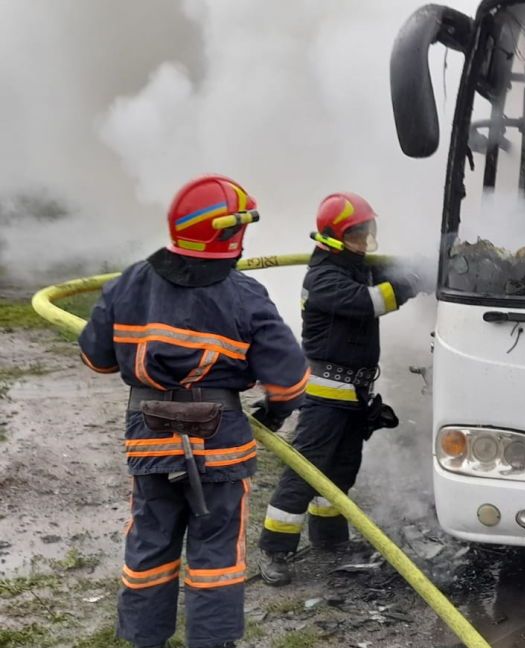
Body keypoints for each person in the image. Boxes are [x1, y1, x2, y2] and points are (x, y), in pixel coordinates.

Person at [78, 174, 310, 648]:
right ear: (230, 233)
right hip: (219, 445)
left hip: (150, 440)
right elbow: (290, 379)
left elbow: (95, 358)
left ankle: (145, 640)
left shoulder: (131, 282)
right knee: (217, 552)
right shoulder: (244, 294)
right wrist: (274, 411)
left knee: (150, 542)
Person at [257, 191, 416, 585]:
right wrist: (413, 281)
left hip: (354, 395)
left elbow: (388, 278)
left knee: (341, 473)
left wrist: (427, 266)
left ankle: (330, 541)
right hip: (326, 395)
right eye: (356, 236)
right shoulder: (324, 278)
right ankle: (275, 552)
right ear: (332, 237)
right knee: (305, 474)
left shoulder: (357, 268)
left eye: (367, 235)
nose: (363, 244)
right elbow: (373, 302)